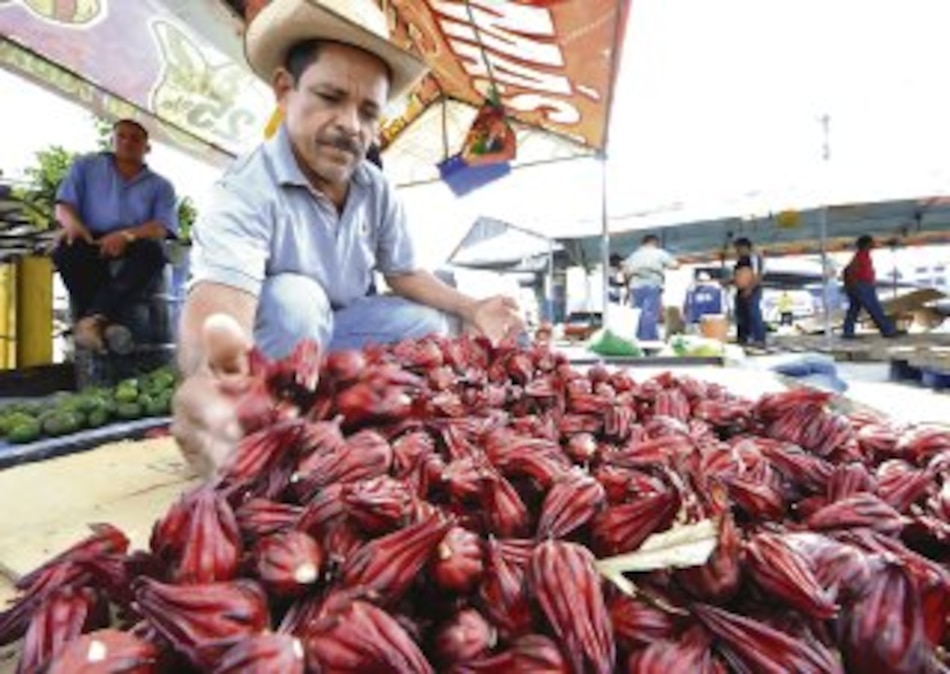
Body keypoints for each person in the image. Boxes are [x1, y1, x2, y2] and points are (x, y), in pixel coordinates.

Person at [172, 0, 524, 476]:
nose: (350, 126)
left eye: (368, 111)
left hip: (340, 340)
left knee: (428, 323)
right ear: (284, 91)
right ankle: (279, 442)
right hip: (276, 350)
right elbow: (221, 306)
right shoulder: (245, 190)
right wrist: (208, 376)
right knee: (297, 298)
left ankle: (368, 428)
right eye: (330, 97)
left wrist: (472, 307)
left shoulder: (373, 186)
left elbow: (404, 272)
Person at [53, 119, 178, 353]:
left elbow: (163, 227)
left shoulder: (161, 186)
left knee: (154, 252)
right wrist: (72, 225)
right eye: (121, 136)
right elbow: (64, 205)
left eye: (135, 138)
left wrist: (126, 236)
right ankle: (102, 323)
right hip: (91, 238)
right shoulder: (86, 166)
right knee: (66, 249)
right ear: (112, 140)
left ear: (147, 147)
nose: (127, 142)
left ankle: (91, 320)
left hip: (135, 241)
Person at [621, 234, 679, 341]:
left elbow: (625, 270)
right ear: (654, 242)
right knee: (650, 313)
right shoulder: (659, 253)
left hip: (636, 287)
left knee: (638, 314)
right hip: (652, 285)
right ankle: (648, 339)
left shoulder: (634, 255)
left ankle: (639, 338)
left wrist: (628, 287)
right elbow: (675, 265)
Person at [842, 234, 896, 338]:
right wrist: (856, 284)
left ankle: (848, 333)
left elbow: (847, 271)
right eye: (871, 243)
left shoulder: (861, 254)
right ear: (866, 244)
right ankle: (888, 331)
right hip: (862, 285)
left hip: (856, 286)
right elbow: (851, 271)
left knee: (854, 310)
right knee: (874, 308)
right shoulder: (862, 255)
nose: (873, 245)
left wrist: (849, 286)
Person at [731, 237, 766, 347]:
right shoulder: (741, 260)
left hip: (753, 289)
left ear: (745, 247)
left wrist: (749, 289)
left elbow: (757, 275)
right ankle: (743, 338)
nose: (737, 251)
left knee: (753, 313)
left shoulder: (754, 257)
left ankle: (759, 339)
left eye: (739, 249)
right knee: (741, 315)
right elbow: (740, 276)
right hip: (741, 290)